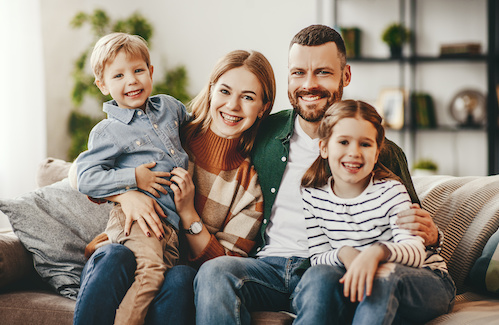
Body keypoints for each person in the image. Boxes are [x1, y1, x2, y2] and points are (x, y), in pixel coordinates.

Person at [193, 24, 443, 324]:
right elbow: (210, 133)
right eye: (298, 72)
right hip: (268, 266)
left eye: (322, 72)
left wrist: (433, 234)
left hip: (330, 267)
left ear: (345, 76)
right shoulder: (263, 131)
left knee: (321, 280)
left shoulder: (377, 149)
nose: (309, 84)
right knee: (215, 271)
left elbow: (413, 228)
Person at [73, 48, 276, 325]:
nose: (233, 106)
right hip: (124, 251)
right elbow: (84, 175)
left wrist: (188, 214)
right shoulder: (170, 131)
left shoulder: (248, 187)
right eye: (225, 91)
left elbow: (226, 270)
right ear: (211, 90)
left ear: (263, 107)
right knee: (113, 255)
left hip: (174, 270)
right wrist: (127, 195)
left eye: (248, 97)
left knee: (182, 277)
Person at [301, 99, 455, 324]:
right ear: (324, 147)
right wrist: (344, 252)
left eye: (365, 144)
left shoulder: (391, 190)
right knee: (318, 276)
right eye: (343, 142)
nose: (354, 152)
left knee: (383, 277)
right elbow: (317, 258)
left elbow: (415, 252)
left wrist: (376, 253)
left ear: (376, 153)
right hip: (362, 284)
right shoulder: (313, 195)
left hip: (425, 281)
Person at [74, 32, 189, 325]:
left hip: (171, 226)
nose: (132, 81)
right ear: (102, 85)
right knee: (149, 274)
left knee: (162, 278)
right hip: (137, 220)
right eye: (119, 75)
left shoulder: (170, 107)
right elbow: (85, 176)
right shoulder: (107, 131)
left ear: (151, 72)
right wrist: (133, 179)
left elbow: (199, 126)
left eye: (138, 70)